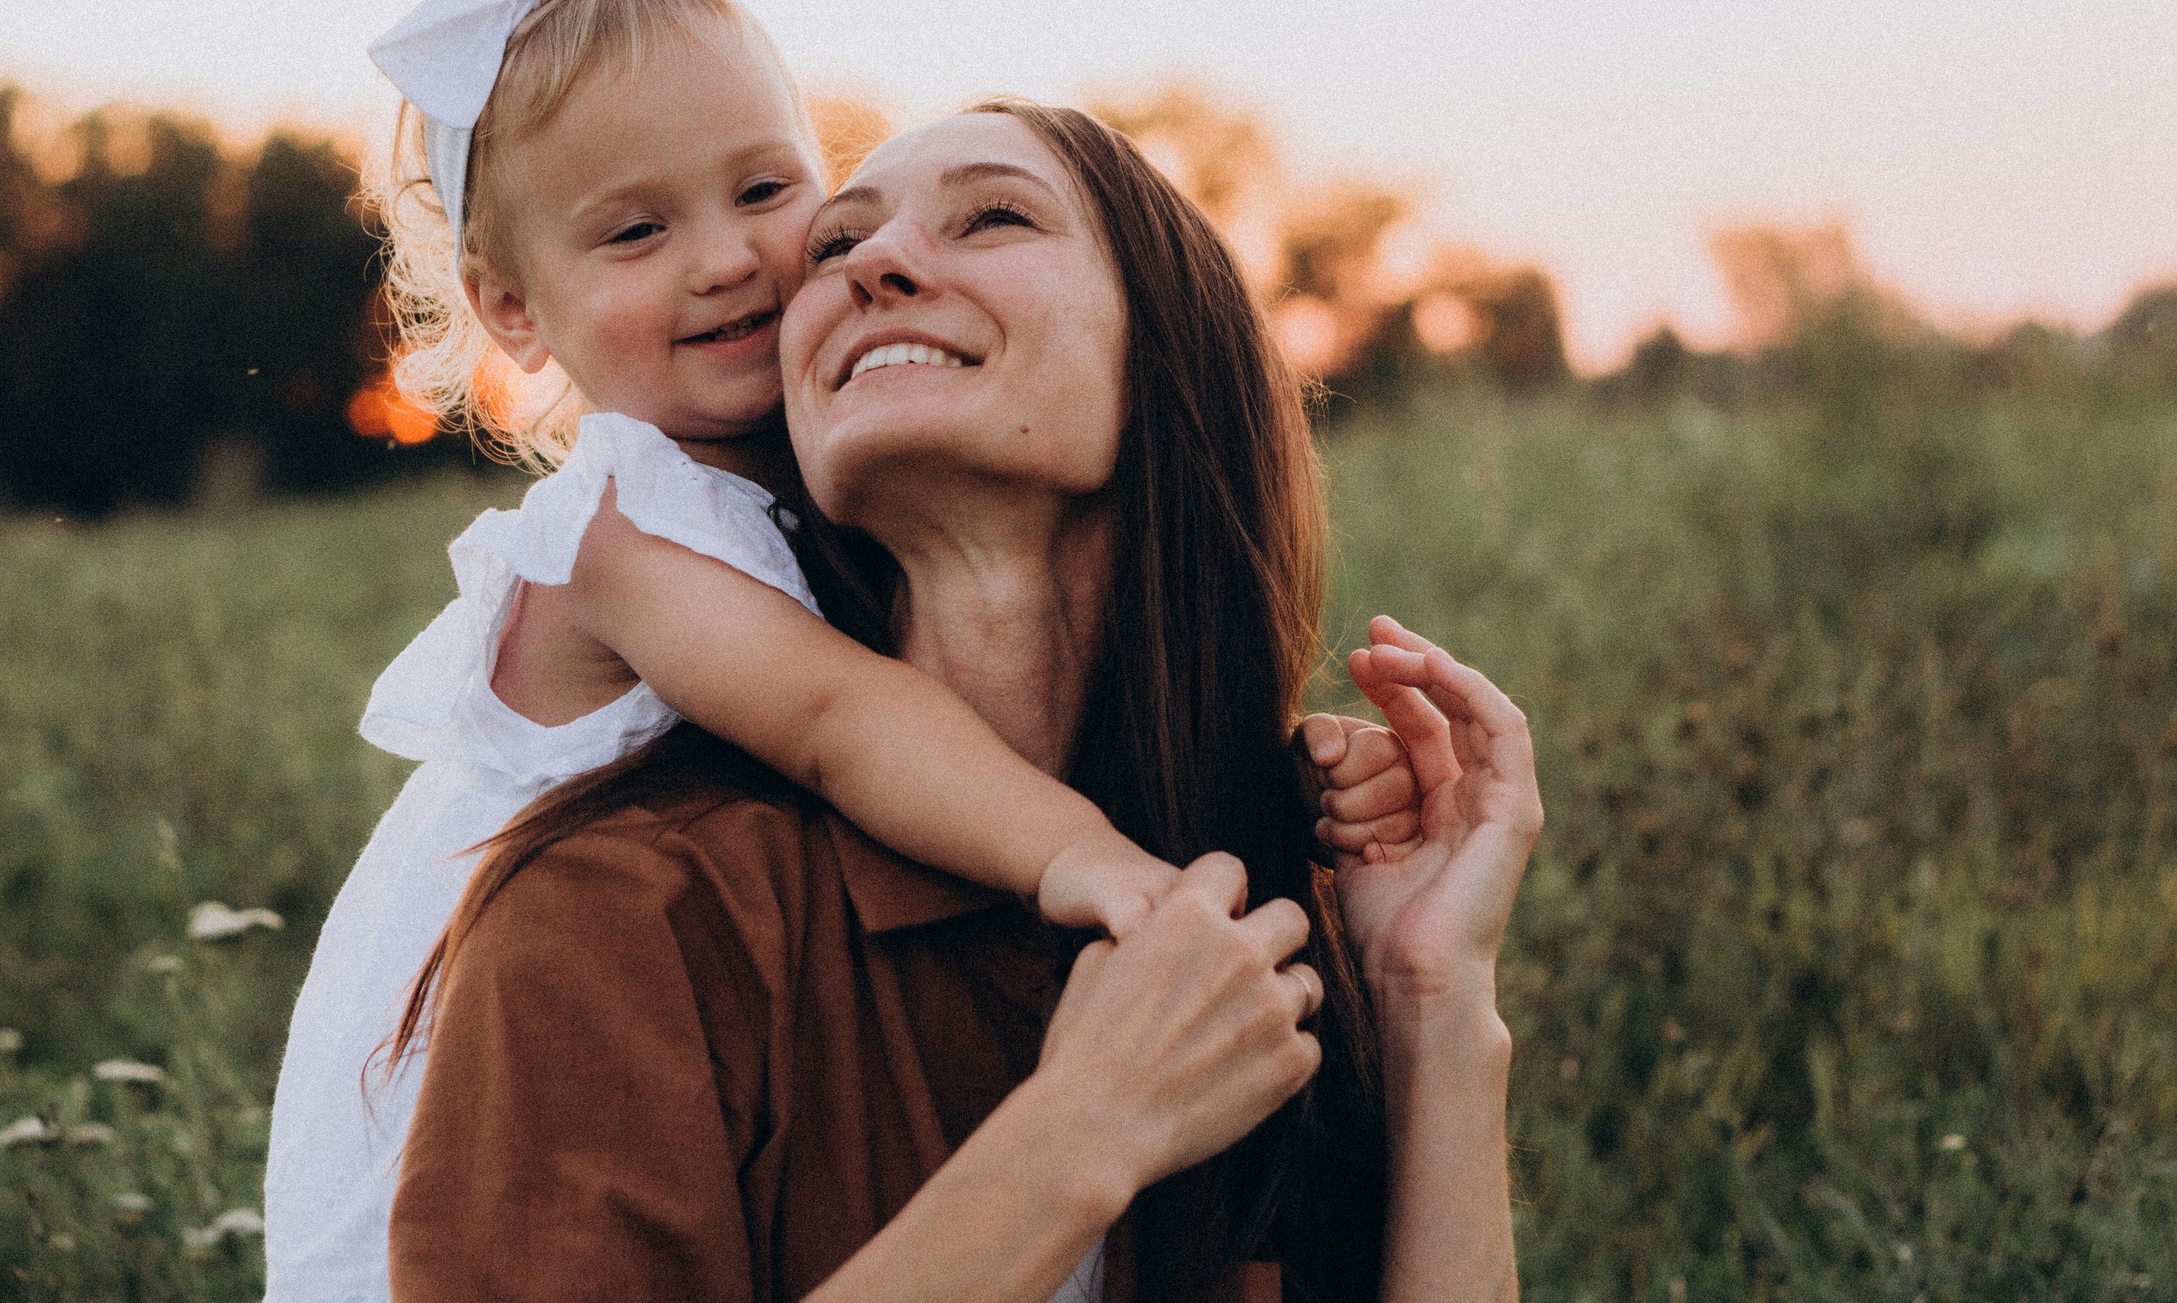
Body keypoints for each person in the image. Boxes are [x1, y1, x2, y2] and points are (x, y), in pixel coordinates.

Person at [264, 0, 1420, 1299]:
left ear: (1178, 349)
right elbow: (839, 720)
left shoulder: (1240, 882)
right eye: (636, 229)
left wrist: (1426, 977)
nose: (744, 262)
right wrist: (1096, 914)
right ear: (512, 307)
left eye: (772, 195)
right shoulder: (627, 605)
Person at [386, 100, 1542, 1300]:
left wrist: (1431, 1002)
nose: (874, 265)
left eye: (991, 217)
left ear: (1168, 350)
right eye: (834, 247)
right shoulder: (639, 908)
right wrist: (1076, 1140)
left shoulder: (1250, 920)